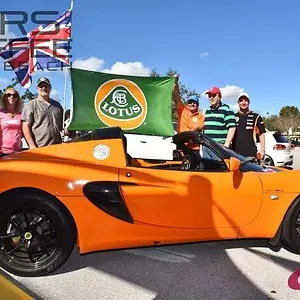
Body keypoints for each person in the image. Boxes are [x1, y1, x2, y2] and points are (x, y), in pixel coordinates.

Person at [21, 77, 63, 149]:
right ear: (37, 88)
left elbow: (61, 125)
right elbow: (25, 126)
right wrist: (32, 145)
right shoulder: (30, 105)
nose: (43, 88)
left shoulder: (57, 105)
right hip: (39, 147)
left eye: (46, 86)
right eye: (41, 86)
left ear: (50, 88)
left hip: (57, 146)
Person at [173, 75, 205, 154]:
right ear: (187, 104)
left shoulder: (200, 116)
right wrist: (175, 83)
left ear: (198, 105)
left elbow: (197, 127)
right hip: (181, 146)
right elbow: (176, 97)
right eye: (190, 102)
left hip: (195, 148)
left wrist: (187, 136)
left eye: (195, 102)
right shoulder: (182, 110)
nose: (192, 104)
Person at [231, 92, 266, 159]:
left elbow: (261, 134)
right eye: (241, 101)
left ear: (249, 102)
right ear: (238, 102)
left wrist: (262, 149)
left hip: (251, 154)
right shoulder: (233, 117)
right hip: (235, 154)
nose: (243, 103)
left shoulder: (256, 117)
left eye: (245, 100)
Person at [0, 87, 23, 155]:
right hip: (2, 152)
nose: (12, 97)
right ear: (5, 97)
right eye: (8, 95)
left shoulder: (21, 114)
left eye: (14, 95)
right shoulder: (0, 113)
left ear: (17, 98)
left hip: (18, 151)